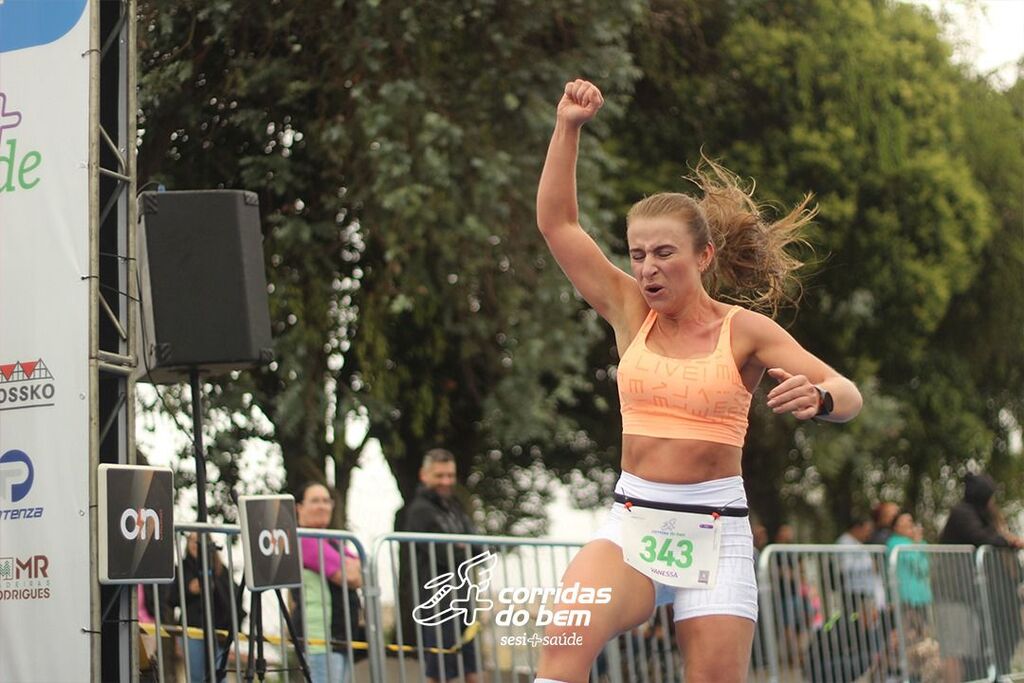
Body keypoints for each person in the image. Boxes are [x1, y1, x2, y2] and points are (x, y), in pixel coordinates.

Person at [532, 79, 863, 683]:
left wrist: (819, 399)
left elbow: (848, 393)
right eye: (637, 255)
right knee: (564, 640)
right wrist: (568, 127)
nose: (648, 268)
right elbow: (558, 224)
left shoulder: (745, 332)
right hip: (634, 523)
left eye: (664, 253)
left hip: (715, 535)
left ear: (704, 257)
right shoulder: (628, 309)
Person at [399, 449, 481, 683]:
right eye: (440, 475)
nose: (446, 481)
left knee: (472, 667)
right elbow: (447, 555)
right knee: (438, 671)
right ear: (424, 475)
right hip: (436, 603)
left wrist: (463, 547)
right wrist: (463, 547)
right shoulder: (419, 510)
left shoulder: (454, 506)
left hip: (463, 598)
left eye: (450, 475)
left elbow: (479, 548)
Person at [937, 472, 1023, 680]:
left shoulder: (980, 515)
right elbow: (980, 537)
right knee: (958, 651)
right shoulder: (963, 513)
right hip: (956, 593)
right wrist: (1009, 541)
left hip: (975, 594)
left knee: (980, 648)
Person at [293, 482, 364, 683]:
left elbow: (364, 571)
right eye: (315, 501)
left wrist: (356, 572)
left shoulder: (333, 540)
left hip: (341, 637)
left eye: (326, 500)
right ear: (299, 507)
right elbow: (350, 576)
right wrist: (355, 571)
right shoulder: (305, 539)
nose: (323, 506)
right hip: (320, 639)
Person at [170, 533, 243, 683]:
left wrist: (213, 587)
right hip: (192, 630)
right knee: (197, 677)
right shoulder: (182, 568)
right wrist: (189, 590)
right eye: (191, 540)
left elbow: (233, 595)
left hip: (218, 630)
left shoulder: (219, 568)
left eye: (197, 541)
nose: (193, 544)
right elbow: (171, 598)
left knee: (218, 676)